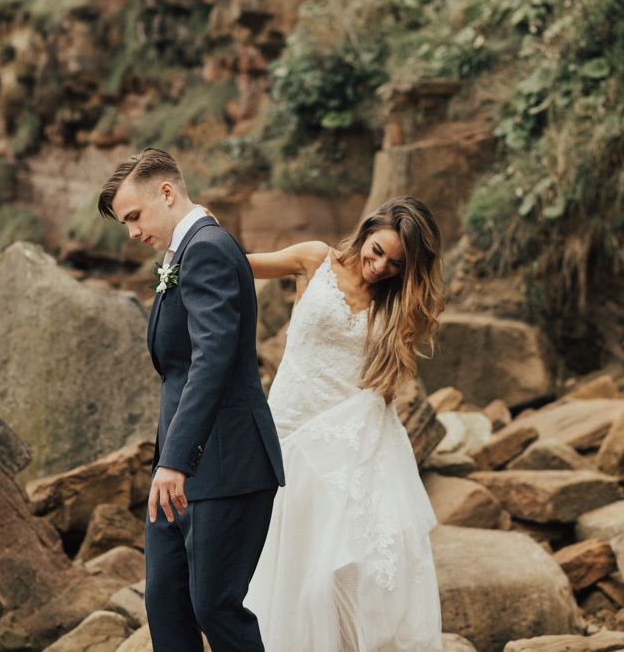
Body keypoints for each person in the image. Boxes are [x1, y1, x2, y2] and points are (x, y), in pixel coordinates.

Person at [97, 148, 284, 652]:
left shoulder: (207, 248)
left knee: (214, 607)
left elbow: (213, 358)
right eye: (124, 224)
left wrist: (177, 460)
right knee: (165, 603)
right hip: (180, 470)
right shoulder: (180, 255)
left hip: (224, 462)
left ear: (167, 192)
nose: (132, 232)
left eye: (134, 217)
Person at [244, 196, 445, 651]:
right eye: (376, 251)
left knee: (351, 564)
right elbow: (239, 265)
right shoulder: (315, 258)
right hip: (291, 426)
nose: (379, 268)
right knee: (291, 559)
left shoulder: (396, 303)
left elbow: (386, 380)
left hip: (350, 440)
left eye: (395, 264)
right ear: (366, 230)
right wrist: (191, 237)